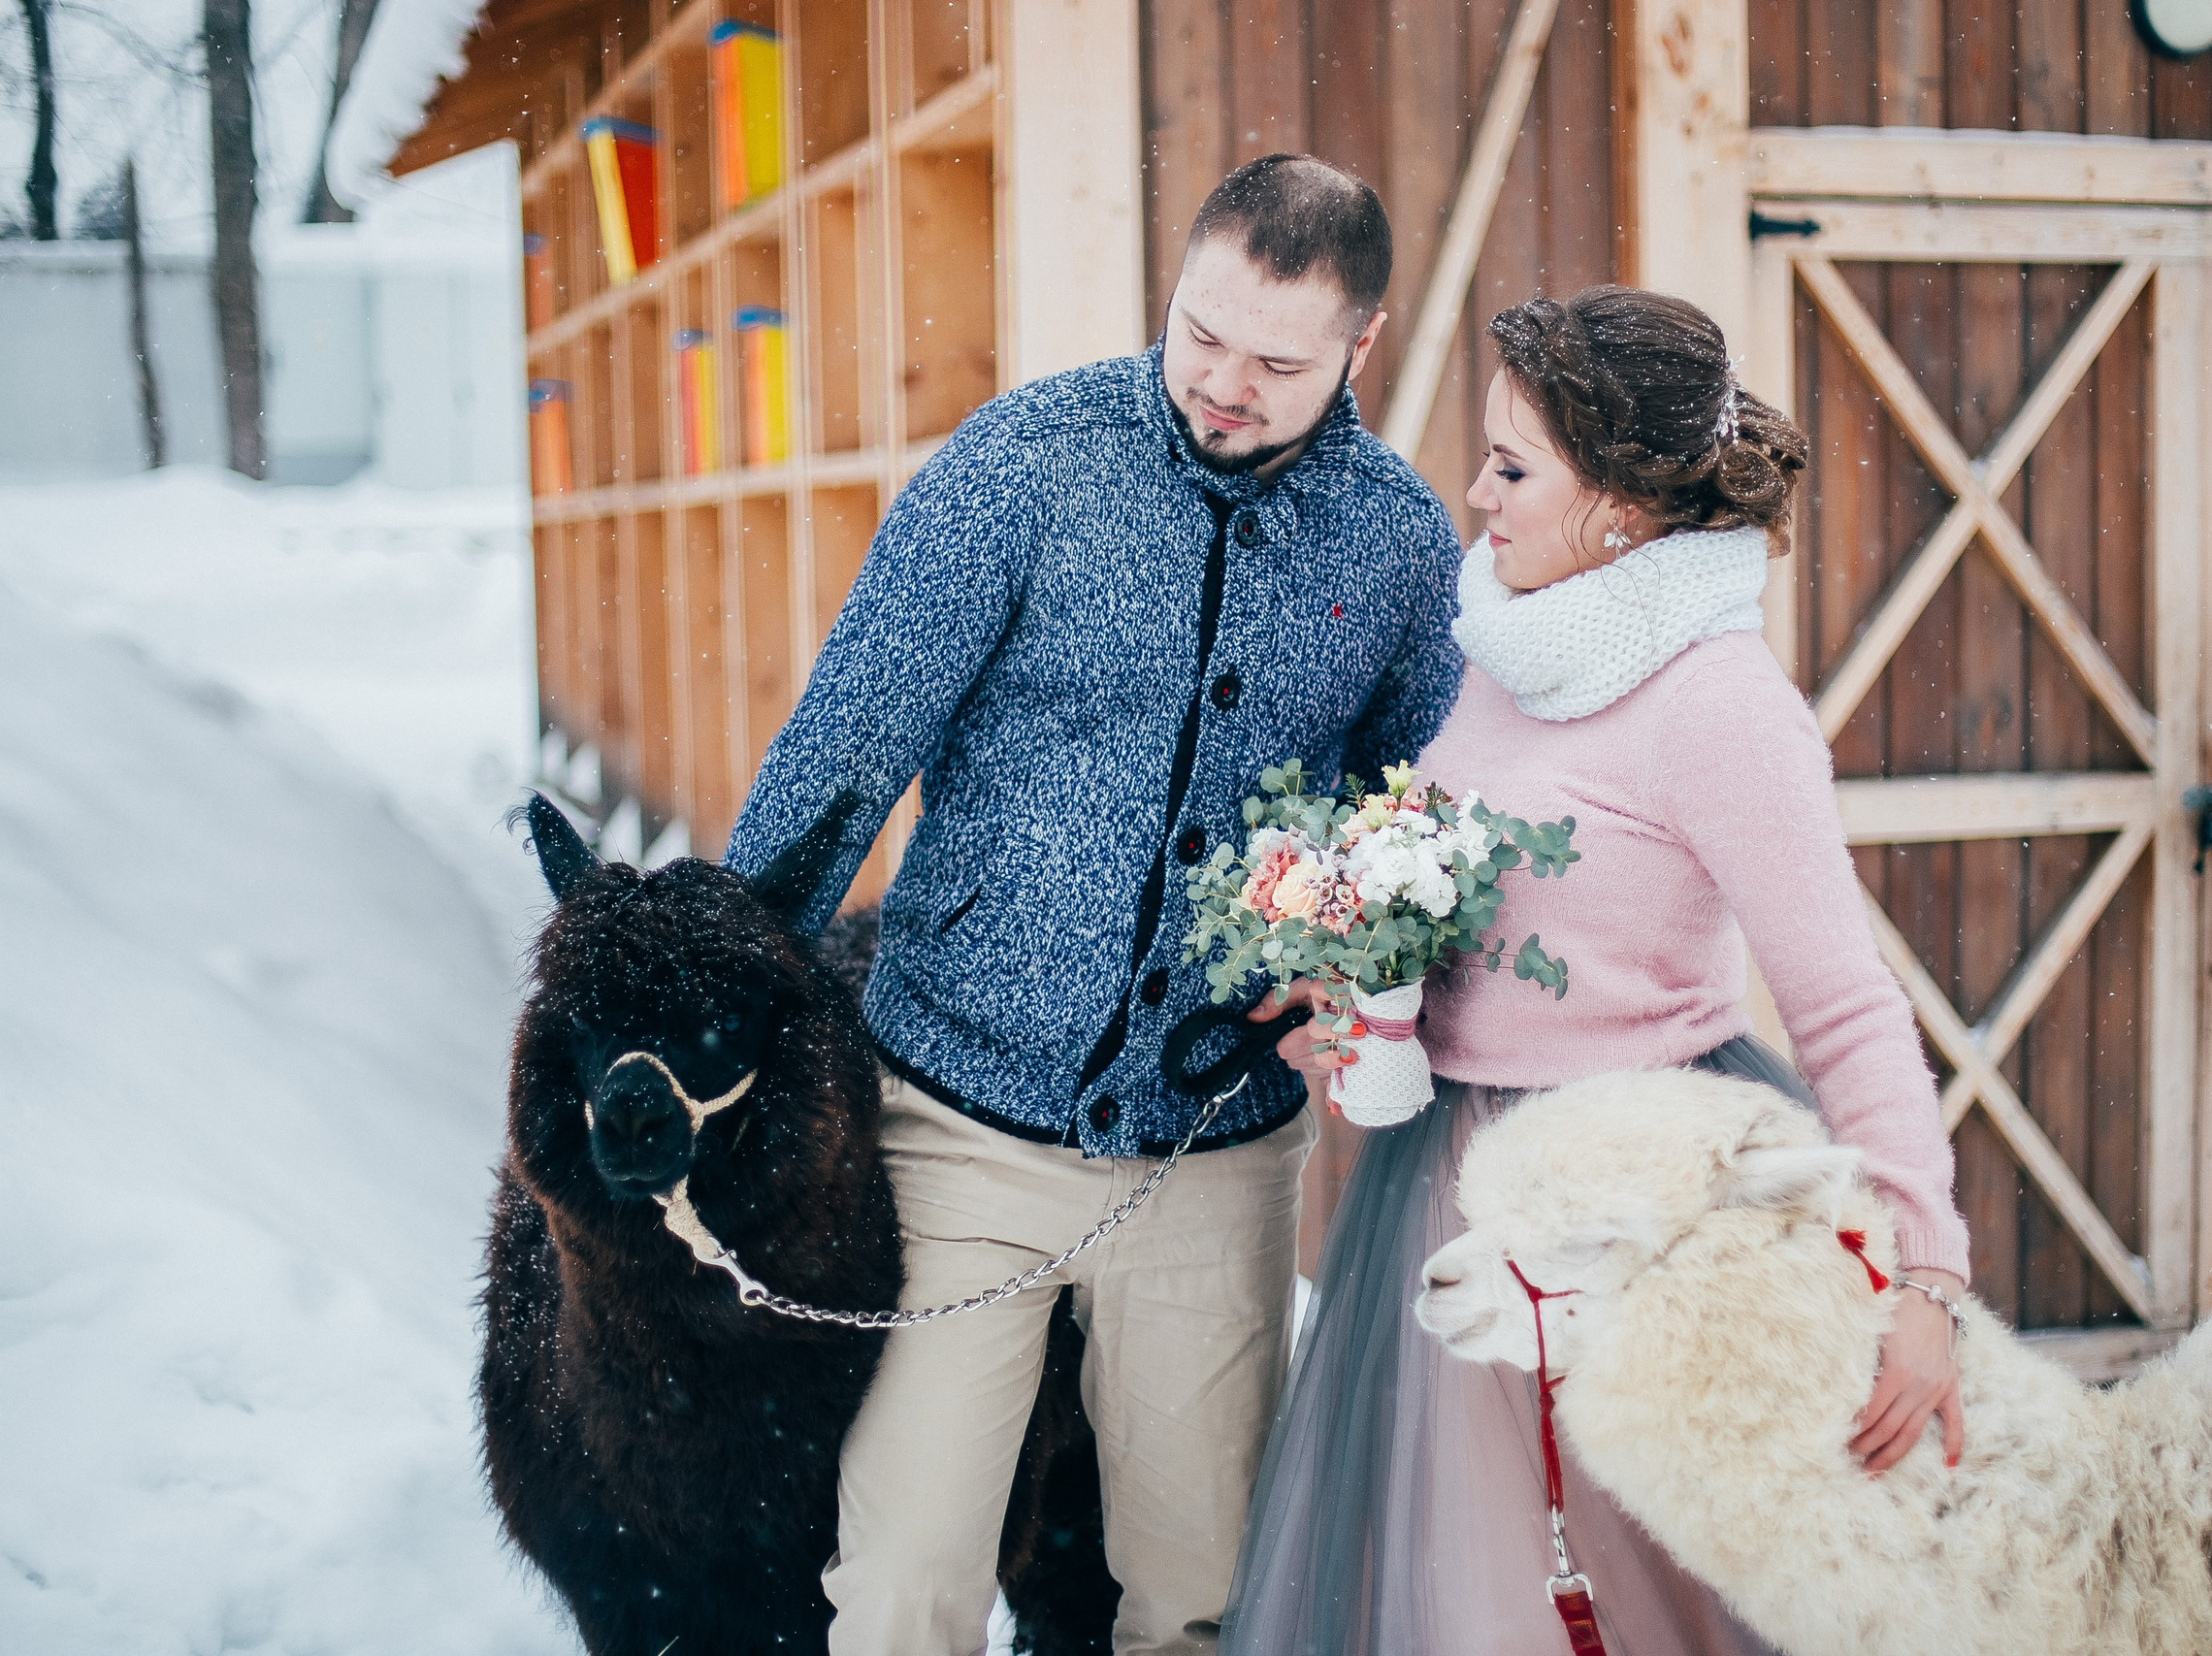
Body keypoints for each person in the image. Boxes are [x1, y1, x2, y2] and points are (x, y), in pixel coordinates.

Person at [722, 154, 1465, 1656]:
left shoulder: (1393, 543)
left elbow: (1420, 806)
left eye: (1277, 361)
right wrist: (724, 1002)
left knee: (1204, 1606)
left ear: (1360, 349)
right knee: (903, 1590)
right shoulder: (1021, 466)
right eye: (1201, 333)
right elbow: (848, 751)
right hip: (956, 1131)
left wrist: (1365, 964)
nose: (1224, 384)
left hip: (1211, 1147)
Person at [1223, 286, 1974, 1655]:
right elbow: (1475, 926)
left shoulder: (1722, 706)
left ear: (1622, 509)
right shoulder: (1509, 647)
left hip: (1642, 1221)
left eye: (1513, 468)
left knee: (1663, 1601)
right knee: (1467, 1606)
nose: (1475, 491)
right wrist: (1364, 1004)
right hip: (1454, 1189)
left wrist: (1919, 1277)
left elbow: (1844, 1002)